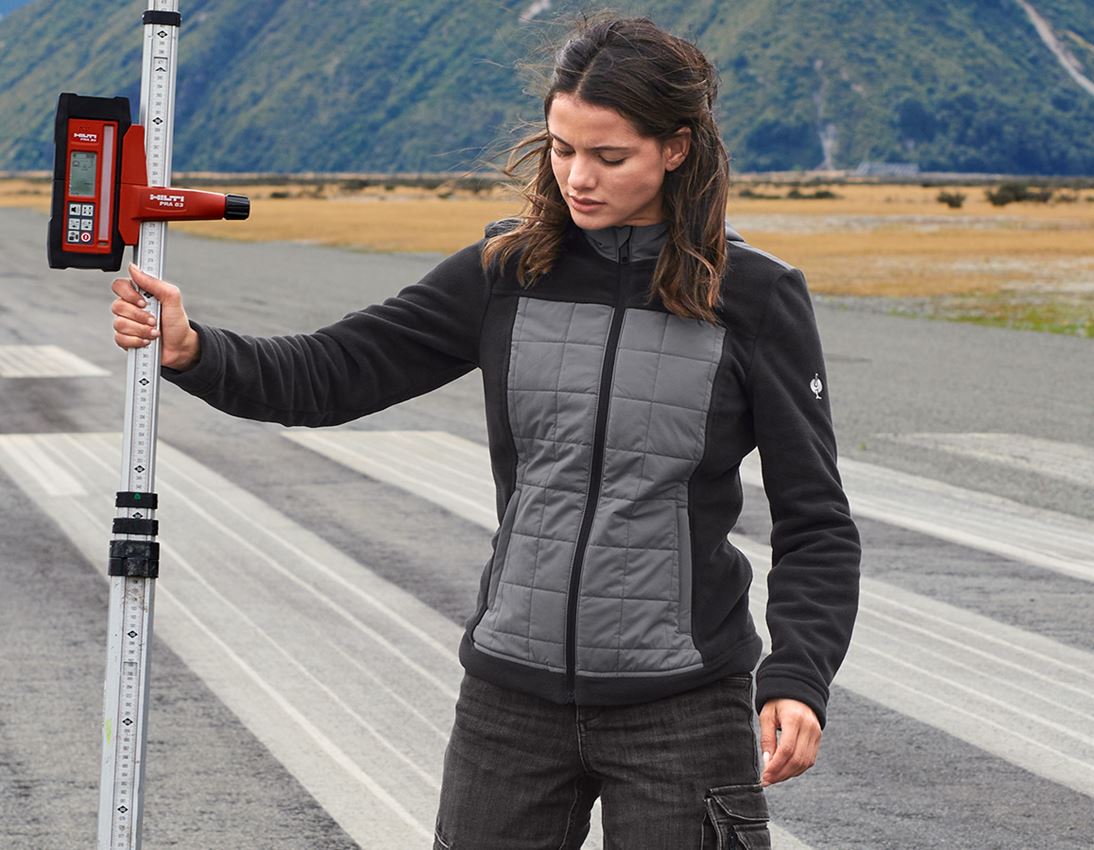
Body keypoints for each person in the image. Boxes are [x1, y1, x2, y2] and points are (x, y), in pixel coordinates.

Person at [109, 15, 860, 850]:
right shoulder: (506, 271)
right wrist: (196, 351)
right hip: (511, 703)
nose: (579, 178)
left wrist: (797, 676)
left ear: (676, 149)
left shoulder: (753, 297)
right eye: (563, 149)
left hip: (682, 705)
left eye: (610, 157)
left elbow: (815, 521)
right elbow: (336, 371)